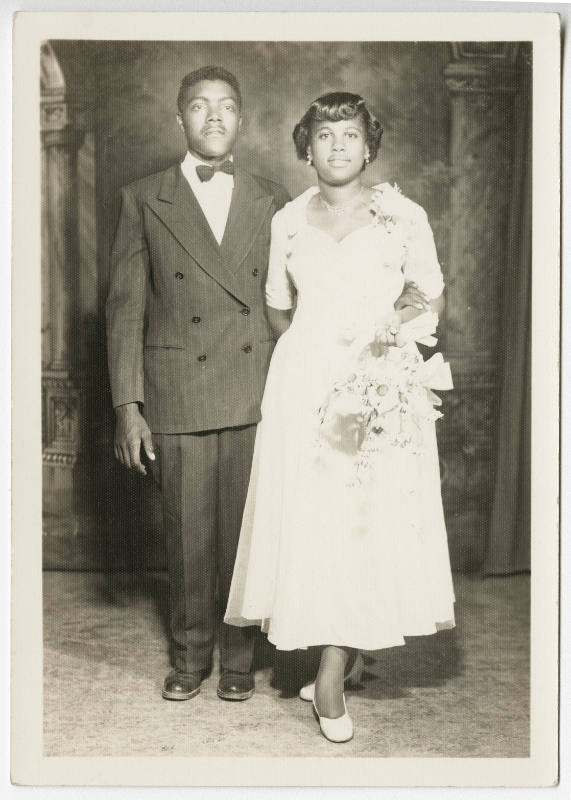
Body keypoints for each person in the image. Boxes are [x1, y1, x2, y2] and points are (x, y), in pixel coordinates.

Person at [224, 92, 456, 742]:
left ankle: (329, 674)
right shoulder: (289, 220)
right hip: (304, 385)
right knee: (313, 520)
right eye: (324, 138)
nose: (337, 148)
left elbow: (427, 288)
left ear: (368, 145)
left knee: (362, 518)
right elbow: (276, 306)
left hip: (375, 382)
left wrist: (383, 336)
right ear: (306, 146)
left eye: (349, 136)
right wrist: (314, 347)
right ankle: (336, 649)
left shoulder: (399, 214)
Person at [105, 66, 292, 703]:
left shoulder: (272, 195)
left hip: (254, 386)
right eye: (199, 107)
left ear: (242, 119)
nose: (214, 118)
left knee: (246, 531)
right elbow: (125, 308)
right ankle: (190, 657)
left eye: (227, 107)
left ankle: (241, 659)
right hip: (177, 386)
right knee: (186, 534)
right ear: (178, 118)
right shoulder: (142, 197)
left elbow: (289, 297)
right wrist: (128, 405)